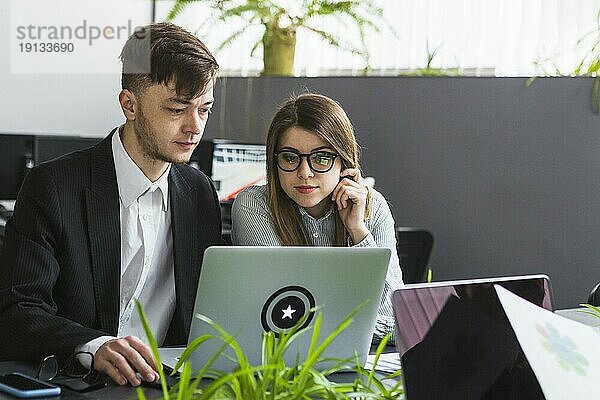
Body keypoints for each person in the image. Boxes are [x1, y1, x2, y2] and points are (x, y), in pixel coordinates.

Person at [0, 22, 222, 386]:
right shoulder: (53, 188)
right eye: (177, 109)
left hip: (165, 385)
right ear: (129, 104)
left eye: (204, 109)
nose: (195, 126)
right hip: (78, 384)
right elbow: (16, 311)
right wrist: (93, 345)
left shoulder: (198, 194)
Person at [231, 93, 403, 342]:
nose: (304, 173)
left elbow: (397, 320)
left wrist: (357, 231)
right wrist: (356, 321)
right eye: (290, 157)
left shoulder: (373, 205)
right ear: (274, 160)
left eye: (321, 158)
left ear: (344, 162)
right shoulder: (254, 205)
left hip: (362, 363)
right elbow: (287, 318)